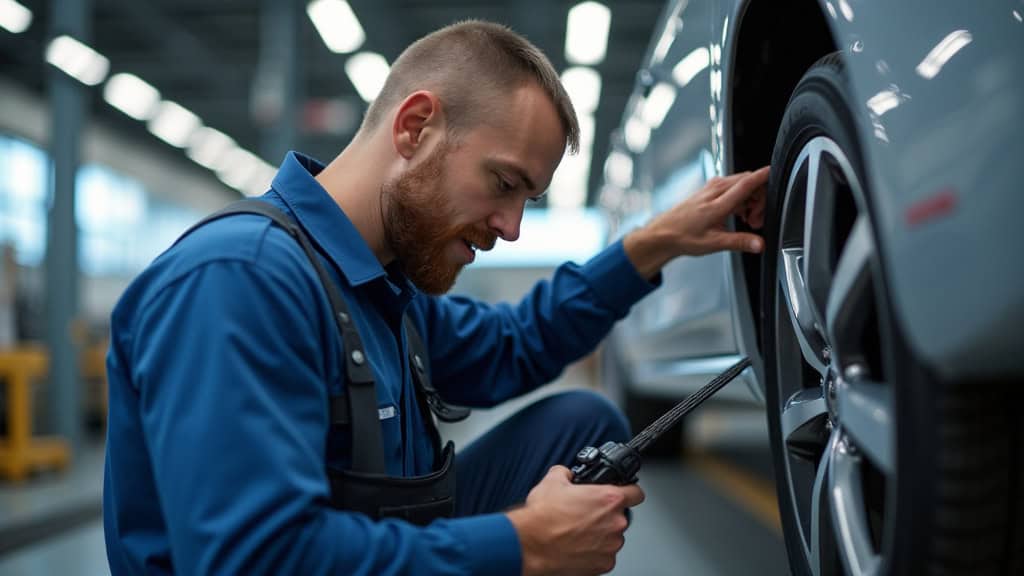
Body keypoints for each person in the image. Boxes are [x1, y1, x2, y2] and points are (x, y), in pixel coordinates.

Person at [103, 20, 768, 576]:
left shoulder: (383, 289)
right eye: (504, 183)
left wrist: (651, 245)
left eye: (527, 200)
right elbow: (249, 560)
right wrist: (523, 546)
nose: (510, 228)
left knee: (582, 431)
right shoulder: (240, 279)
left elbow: (516, 345)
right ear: (415, 127)